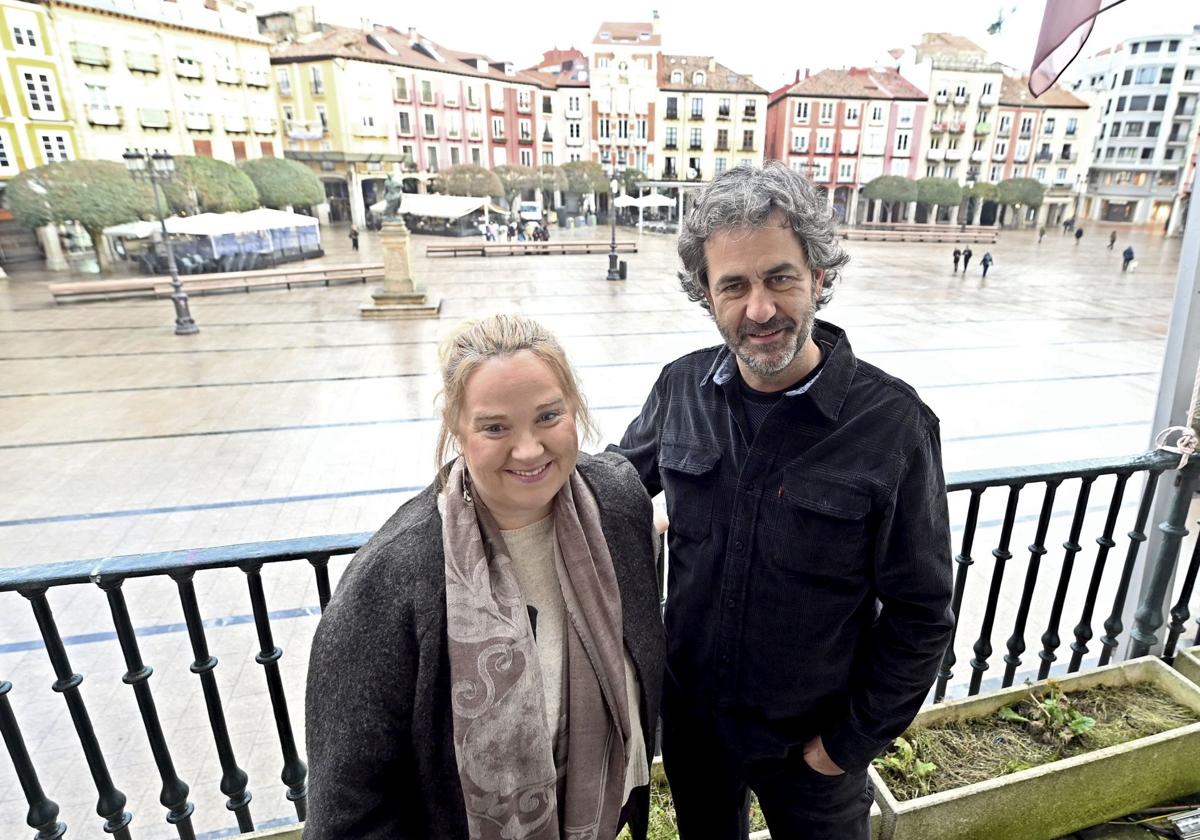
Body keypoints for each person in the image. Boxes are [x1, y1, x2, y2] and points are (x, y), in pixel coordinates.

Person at [613, 163, 954, 840]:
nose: (759, 310)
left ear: (819, 278)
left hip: (815, 749)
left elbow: (921, 613)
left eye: (780, 278)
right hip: (696, 730)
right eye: (733, 286)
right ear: (706, 297)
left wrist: (846, 745)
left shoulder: (892, 424)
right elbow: (610, 490)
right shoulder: (680, 390)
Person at [306, 314, 666, 840]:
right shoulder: (392, 582)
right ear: (457, 427)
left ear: (575, 409)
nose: (528, 449)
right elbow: (349, 813)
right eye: (496, 427)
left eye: (548, 416)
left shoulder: (616, 503)